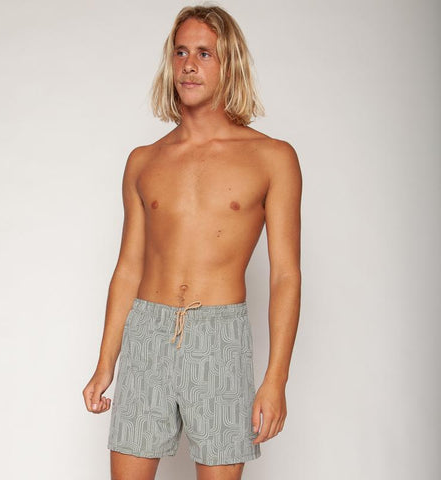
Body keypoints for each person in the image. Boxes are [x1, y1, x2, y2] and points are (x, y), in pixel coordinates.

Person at [82, 4, 302, 480]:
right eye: (181, 52)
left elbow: (285, 274)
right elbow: (128, 267)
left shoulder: (272, 158)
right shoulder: (143, 161)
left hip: (220, 339)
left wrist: (276, 379)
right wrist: (105, 363)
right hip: (147, 334)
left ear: (229, 64)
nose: (188, 65)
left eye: (204, 53)